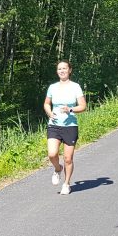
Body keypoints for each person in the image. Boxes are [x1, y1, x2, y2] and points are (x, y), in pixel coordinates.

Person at [43, 61, 86, 195]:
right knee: (52, 154)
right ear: (57, 71)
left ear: (69, 70)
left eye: (64, 68)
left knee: (68, 158)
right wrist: (49, 113)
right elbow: (46, 104)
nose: (62, 71)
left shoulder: (75, 87)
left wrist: (70, 109)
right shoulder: (52, 87)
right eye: (59, 69)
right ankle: (57, 168)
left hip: (70, 126)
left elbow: (83, 106)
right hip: (54, 125)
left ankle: (66, 184)